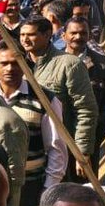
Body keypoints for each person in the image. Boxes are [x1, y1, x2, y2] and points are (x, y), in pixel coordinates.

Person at [0, 45, 66, 206]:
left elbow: (56, 147)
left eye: (16, 63)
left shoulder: (44, 98)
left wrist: (48, 190)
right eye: (4, 63)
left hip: (30, 187)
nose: (10, 68)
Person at [20, 16, 98, 162]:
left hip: (58, 150)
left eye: (31, 35)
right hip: (27, 150)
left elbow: (85, 109)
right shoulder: (17, 64)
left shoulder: (69, 64)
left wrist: (82, 151)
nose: (25, 39)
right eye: (22, 35)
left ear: (47, 35)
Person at [64, 17, 105, 169]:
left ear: (89, 36)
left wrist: (93, 138)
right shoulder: (53, 64)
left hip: (90, 143)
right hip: (57, 143)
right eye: (73, 33)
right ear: (64, 36)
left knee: (84, 190)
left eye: (83, 33)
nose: (78, 37)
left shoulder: (103, 66)